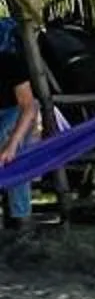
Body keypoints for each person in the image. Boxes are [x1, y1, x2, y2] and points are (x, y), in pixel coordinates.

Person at [0, 19, 38, 224]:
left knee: (11, 149)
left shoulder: (10, 62)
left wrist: (12, 144)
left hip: (15, 115)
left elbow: (28, 106)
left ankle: (21, 219)